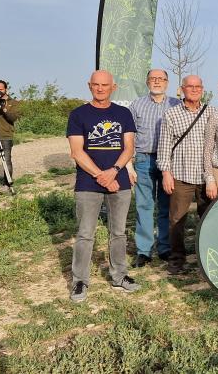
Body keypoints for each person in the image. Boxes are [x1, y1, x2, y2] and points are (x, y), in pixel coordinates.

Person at [66, 70, 139, 302]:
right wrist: (101, 175)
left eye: (104, 85)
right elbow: (77, 152)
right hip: (88, 183)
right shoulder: (78, 115)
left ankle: (120, 275)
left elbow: (129, 148)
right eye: (96, 85)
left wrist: (114, 171)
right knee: (85, 234)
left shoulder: (123, 113)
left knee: (118, 232)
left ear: (113, 87)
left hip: (120, 182)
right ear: (89, 86)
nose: (100, 88)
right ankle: (80, 281)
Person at [158, 75, 213, 275]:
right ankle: (177, 260)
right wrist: (166, 173)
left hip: (207, 176)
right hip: (181, 175)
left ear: (203, 89)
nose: (194, 89)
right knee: (177, 220)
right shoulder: (171, 114)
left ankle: (207, 259)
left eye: (198, 86)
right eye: (190, 86)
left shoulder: (211, 112)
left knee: (208, 219)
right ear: (182, 89)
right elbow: (164, 147)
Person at [127, 69, 181, 267]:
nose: (157, 81)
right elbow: (129, 136)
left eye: (161, 79)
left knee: (167, 206)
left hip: (170, 163)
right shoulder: (137, 105)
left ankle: (165, 247)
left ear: (167, 83)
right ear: (147, 81)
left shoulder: (176, 104)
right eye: (153, 78)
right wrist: (129, 164)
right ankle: (144, 250)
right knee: (144, 205)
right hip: (144, 160)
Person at [0, 79, 19, 184]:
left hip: (5, 135)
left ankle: (8, 182)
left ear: (6, 89)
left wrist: (4, 109)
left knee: (6, 159)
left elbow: (13, 118)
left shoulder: (13, 102)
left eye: (1, 89)